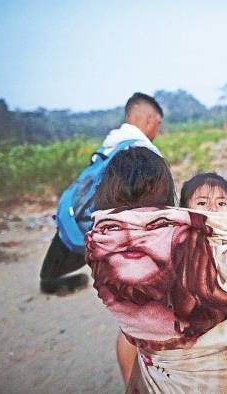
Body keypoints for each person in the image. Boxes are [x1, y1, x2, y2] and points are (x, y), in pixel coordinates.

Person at [87, 156, 227, 393]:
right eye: (202, 202)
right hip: (226, 379)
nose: (212, 209)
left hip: (159, 379)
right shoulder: (190, 238)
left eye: (221, 203)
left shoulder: (99, 243)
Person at [39, 92, 164, 295]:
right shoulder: (143, 150)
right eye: (158, 123)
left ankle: (51, 280)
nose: (157, 130)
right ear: (151, 120)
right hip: (110, 233)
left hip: (77, 226)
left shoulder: (110, 144)